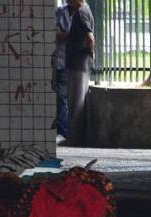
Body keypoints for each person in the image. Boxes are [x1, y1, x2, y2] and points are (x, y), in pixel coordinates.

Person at [64, 0, 94, 145]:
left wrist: (90, 53)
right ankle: (75, 137)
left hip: (79, 64)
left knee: (75, 103)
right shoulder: (83, 10)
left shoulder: (81, 13)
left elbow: (90, 38)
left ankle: (75, 139)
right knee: (75, 102)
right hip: (78, 64)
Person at [51, 2, 71, 141]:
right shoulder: (62, 10)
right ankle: (62, 127)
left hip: (65, 61)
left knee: (62, 97)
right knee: (59, 97)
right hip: (58, 60)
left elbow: (71, 35)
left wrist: (58, 33)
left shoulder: (80, 12)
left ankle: (65, 129)